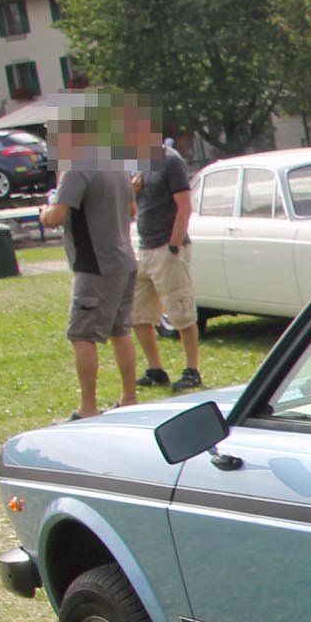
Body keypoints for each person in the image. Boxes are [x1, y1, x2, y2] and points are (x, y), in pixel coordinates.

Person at [40, 100, 138, 420]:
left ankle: (88, 407)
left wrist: (43, 212)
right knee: (120, 330)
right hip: (124, 260)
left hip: (95, 264)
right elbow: (133, 211)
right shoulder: (116, 162)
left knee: (81, 335)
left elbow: (56, 216)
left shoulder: (76, 166)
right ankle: (129, 397)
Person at [130, 119, 199, 391]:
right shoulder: (139, 165)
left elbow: (184, 206)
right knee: (139, 314)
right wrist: (132, 191)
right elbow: (134, 210)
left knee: (181, 311)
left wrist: (174, 245)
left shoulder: (170, 162)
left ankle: (192, 369)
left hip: (167, 249)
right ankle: (155, 369)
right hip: (145, 249)